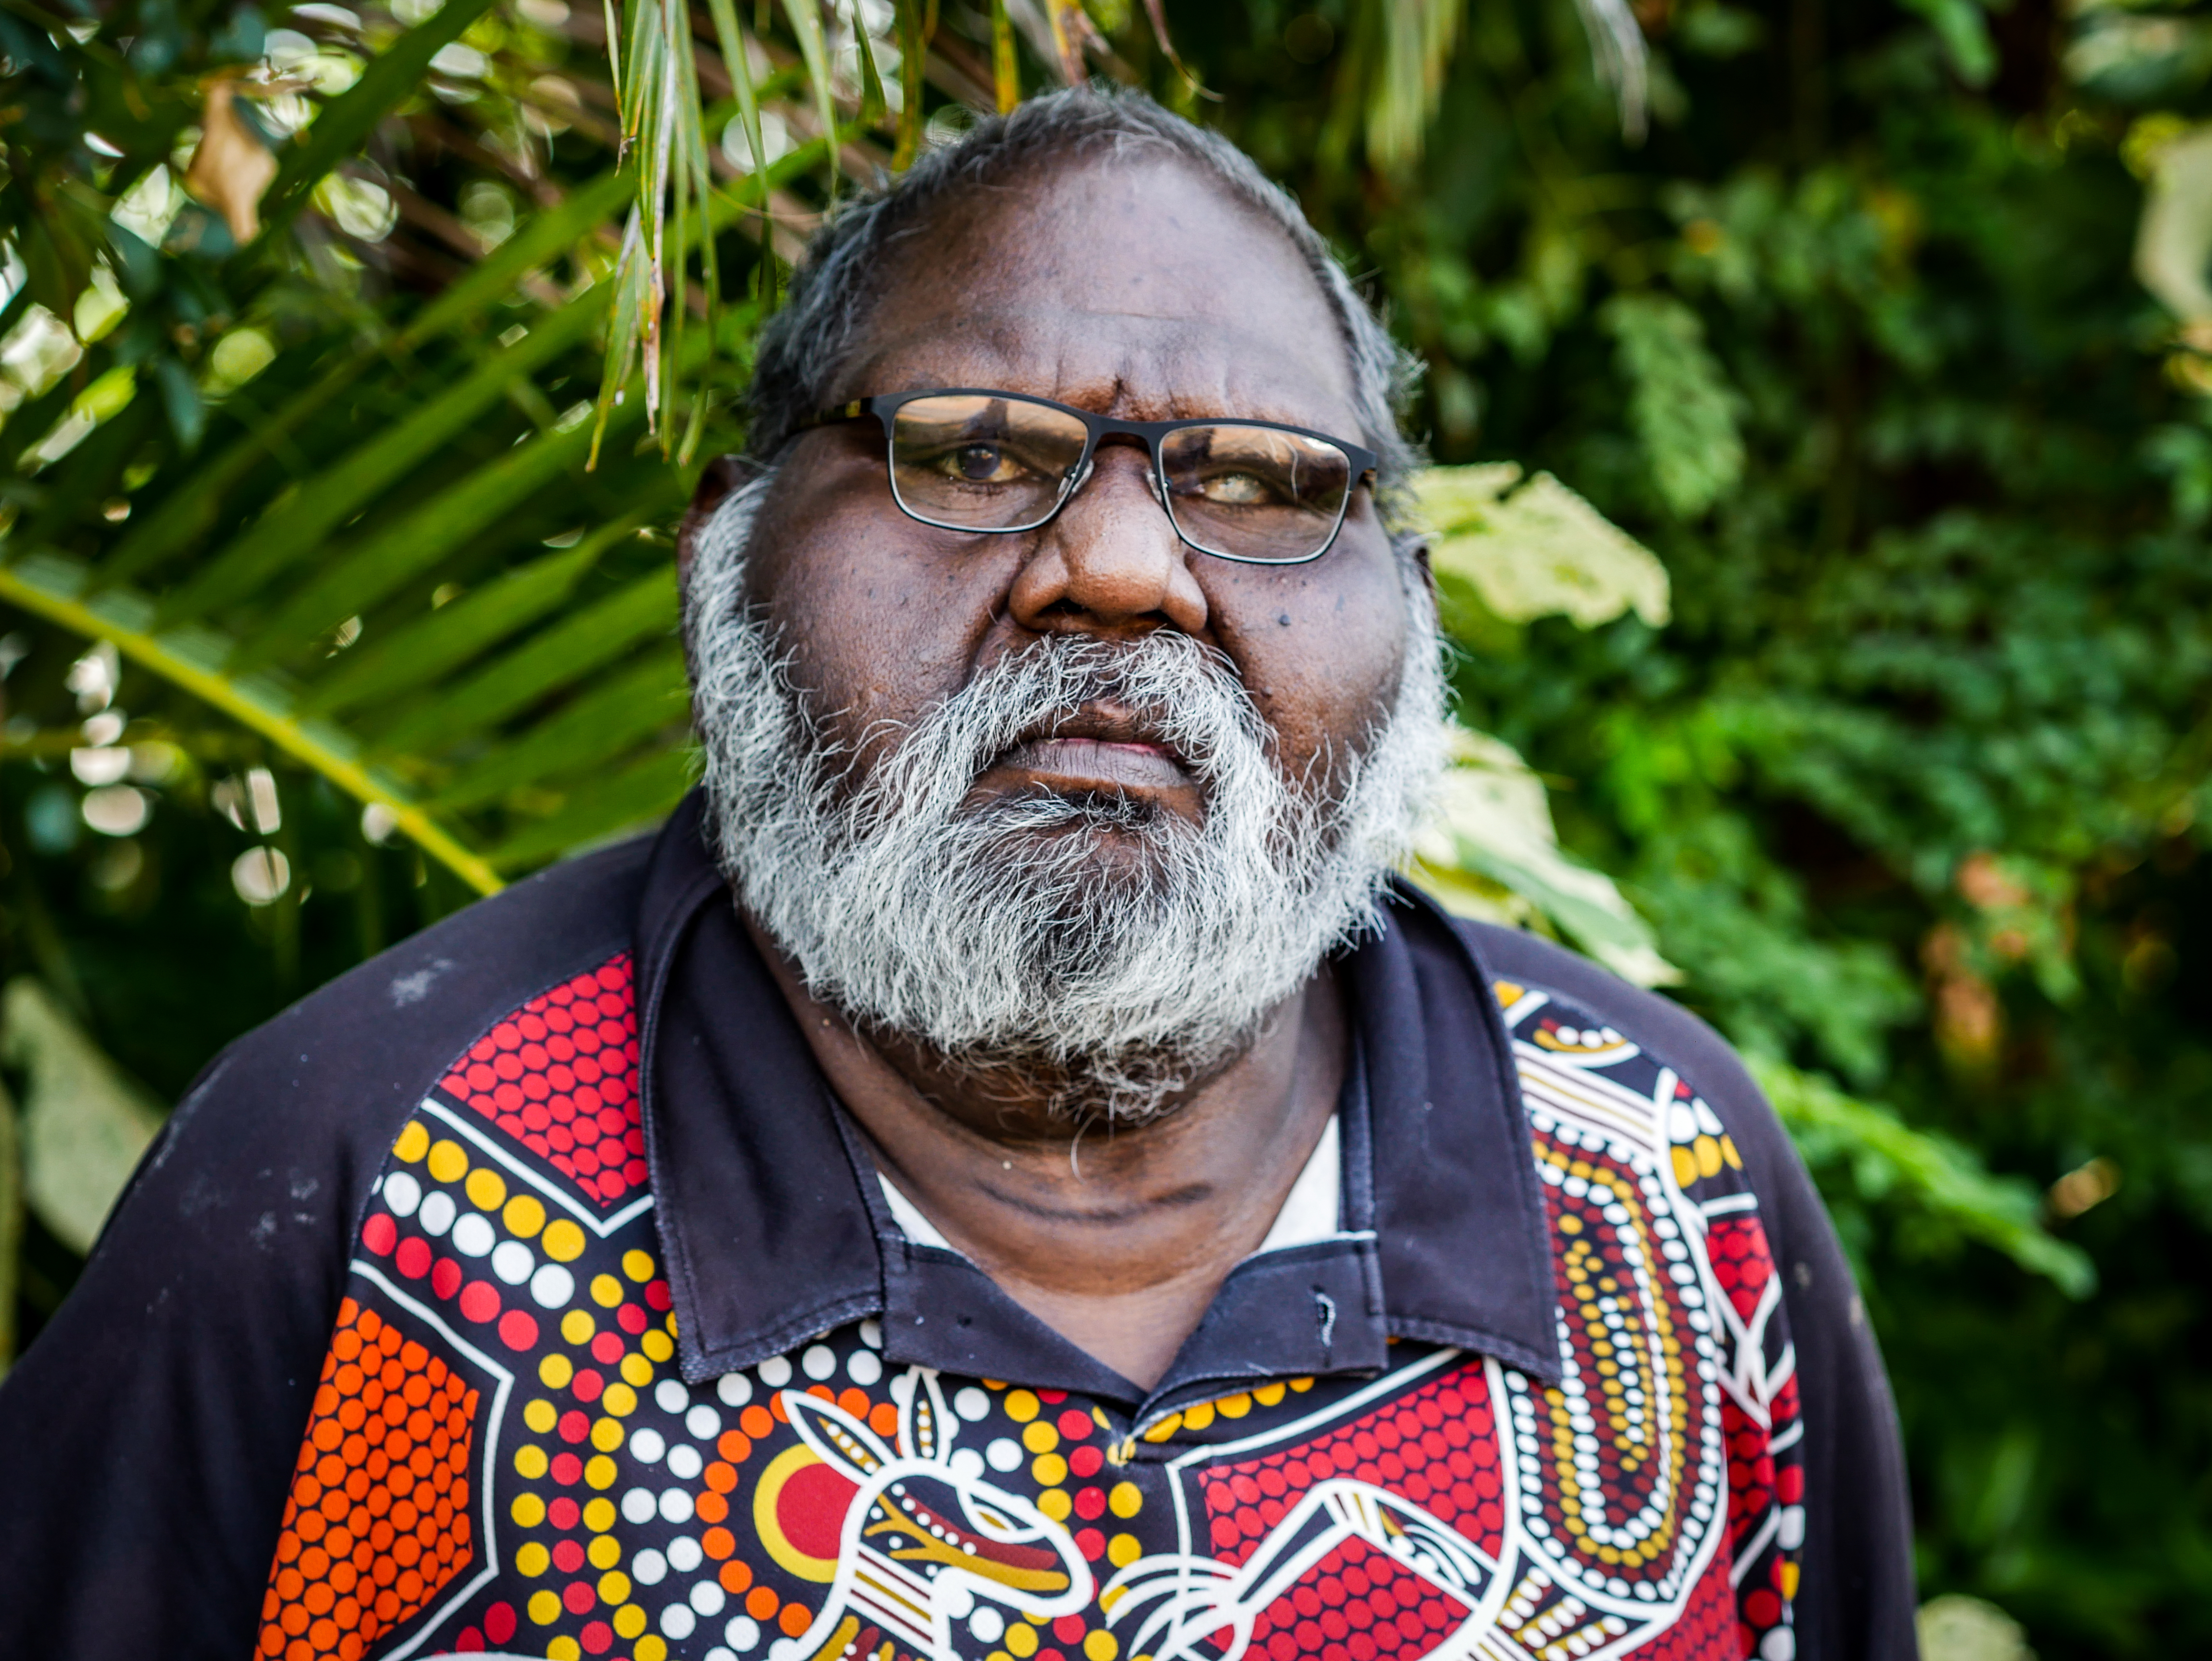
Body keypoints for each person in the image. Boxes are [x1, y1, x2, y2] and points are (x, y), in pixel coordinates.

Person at [0, 88, 1917, 1661]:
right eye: (973, 448)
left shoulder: (1665, 1186)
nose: (1120, 566)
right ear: (723, 561)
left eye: (1254, 483)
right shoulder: (359, 1185)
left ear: (1405, 614)